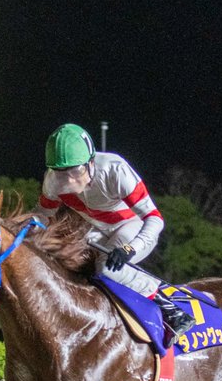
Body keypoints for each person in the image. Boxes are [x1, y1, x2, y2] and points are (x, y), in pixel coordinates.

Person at [38, 123, 195, 336]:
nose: (70, 180)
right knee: (70, 262)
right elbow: (41, 216)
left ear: (91, 161)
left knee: (107, 269)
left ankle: (172, 309)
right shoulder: (52, 182)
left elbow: (155, 219)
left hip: (133, 226)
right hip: (98, 230)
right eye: (60, 174)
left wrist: (131, 248)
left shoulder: (115, 170)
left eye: (75, 170)